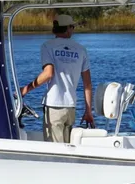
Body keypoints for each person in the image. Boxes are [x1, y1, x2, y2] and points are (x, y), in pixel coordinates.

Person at [20, 14, 94, 143]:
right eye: (73, 27)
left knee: (54, 150)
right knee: (67, 147)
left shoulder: (47, 46)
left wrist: (26, 89)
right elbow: (87, 84)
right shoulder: (81, 50)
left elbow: (48, 73)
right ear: (68, 28)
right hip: (71, 107)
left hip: (54, 105)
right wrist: (88, 111)